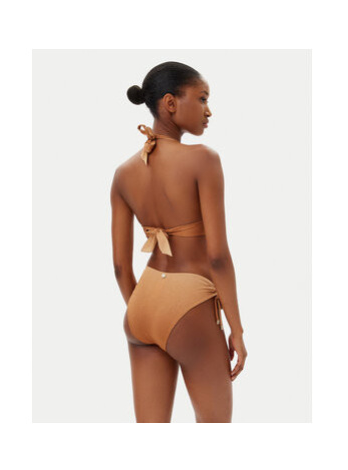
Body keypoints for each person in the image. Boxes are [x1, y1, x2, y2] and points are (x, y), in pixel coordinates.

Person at [110, 61, 247, 423]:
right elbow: (217, 257)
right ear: (170, 103)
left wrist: (148, 312)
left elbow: (121, 267)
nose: (208, 110)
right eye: (202, 98)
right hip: (190, 302)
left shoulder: (123, 174)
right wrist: (236, 329)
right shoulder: (203, 160)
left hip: (142, 302)